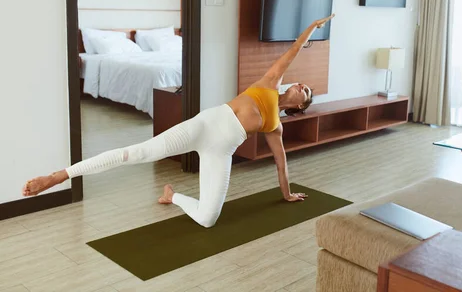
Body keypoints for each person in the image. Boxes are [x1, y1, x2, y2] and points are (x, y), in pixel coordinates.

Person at [22, 13, 335, 228]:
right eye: (301, 83)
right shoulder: (270, 82)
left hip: (220, 151)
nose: (299, 85)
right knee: (138, 153)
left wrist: (287, 194)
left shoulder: (275, 127)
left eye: (304, 91)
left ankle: (173, 196)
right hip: (203, 126)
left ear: (298, 107)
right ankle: (60, 175)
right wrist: (313, 27)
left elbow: (281, 165)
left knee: (209, 219)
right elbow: (295, 49)